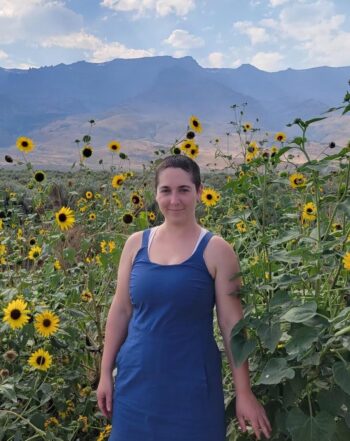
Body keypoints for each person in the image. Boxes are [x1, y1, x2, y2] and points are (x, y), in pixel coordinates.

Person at [97, 155, 271, 440]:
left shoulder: (217, 250)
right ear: (156, 194)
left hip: (193, 387)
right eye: (165, 190)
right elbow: (121, 311)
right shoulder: (135, 245)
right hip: (135, 382)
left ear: (199, 192)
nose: (174, 199)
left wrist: (244, 392)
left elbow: (231, 325)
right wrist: (106, 373)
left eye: (184, 190)